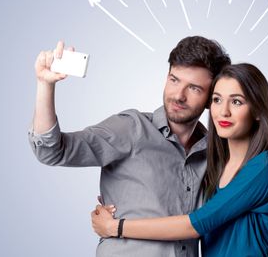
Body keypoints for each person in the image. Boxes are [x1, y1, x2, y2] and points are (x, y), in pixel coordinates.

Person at [28, 36, 231, 257]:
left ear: (212, 97)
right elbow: (52, 151)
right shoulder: (131, 128)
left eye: (193, 88)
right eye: (174, 80)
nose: (178, 95)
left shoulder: (216, 153)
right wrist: (45, 85)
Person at [91, 63, 268, 256]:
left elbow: (195, 224)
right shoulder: (216, 166)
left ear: (258, 110)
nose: (224, 111)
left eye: (237, 101)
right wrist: (123, 199)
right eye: (217, 100)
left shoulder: (266, 164)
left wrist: (115, 226)